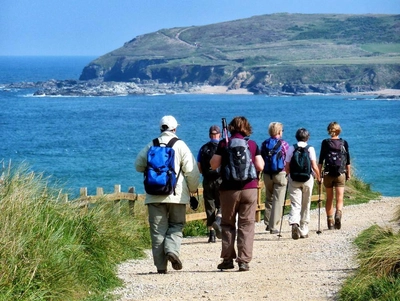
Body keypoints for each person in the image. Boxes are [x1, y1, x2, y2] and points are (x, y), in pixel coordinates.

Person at [135, 115, 200, 274]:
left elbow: (138, 165)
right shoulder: (180, 145)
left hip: (154, 194)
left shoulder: (152, 144)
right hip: (177, 195)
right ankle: (172, 250)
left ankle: (161, 267)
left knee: (157, 231)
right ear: (175, 129)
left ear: (160, 128)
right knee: (176, 225)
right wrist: (192, 190)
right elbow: (192, 171)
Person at [210, 116, 264, 272]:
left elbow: (213, 165)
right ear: (246, 128)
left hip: (228, 190)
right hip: (249, 188)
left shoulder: (224, 143)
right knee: (246, 225)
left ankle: (227, 259)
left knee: (227, 224)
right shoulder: (252, 144)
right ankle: (244, 261)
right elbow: (260, 165)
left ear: (231, 128)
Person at [285, 128, 320, 240]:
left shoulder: (291, 148)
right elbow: (314, 166)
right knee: (306, 204)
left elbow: (287, 165)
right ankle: (304, 229)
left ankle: (294, 222)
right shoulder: (310, 149)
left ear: (296, 137)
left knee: (295, 204)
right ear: (307, 138)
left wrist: (288, 175)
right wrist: (319, 177)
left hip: (294, 179)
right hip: (307, 179)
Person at [318, 121, 351, 230]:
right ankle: (338, 214)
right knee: (340, 198)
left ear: (329, 131)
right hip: (340, 173)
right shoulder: (344, 143)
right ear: (338, 130)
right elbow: (348, 160)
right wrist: (348, 174)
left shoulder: (325, 142)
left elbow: (321, 160)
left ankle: (330, 221)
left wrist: (319, 175)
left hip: (328, 173)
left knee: (329, 198)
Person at [261, 122, 290, 234]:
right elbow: (288, 160)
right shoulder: (283, 144)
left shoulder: (264, 144)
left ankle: (268, 223)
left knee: (269, 198)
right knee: (278, 200)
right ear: (279, 131)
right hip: (280, 174)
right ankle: (274, 226)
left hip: (267, 174)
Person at [197, 125, 222, 243]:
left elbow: (199, 167)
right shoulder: (222, 147)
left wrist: (205, 174)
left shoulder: (203, 148)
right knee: (222, 205)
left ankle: (211, 235)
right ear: (219, 135)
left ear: (209, 135)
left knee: (210, 207)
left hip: (207, 180)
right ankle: (218, 221)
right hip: (220, 180)